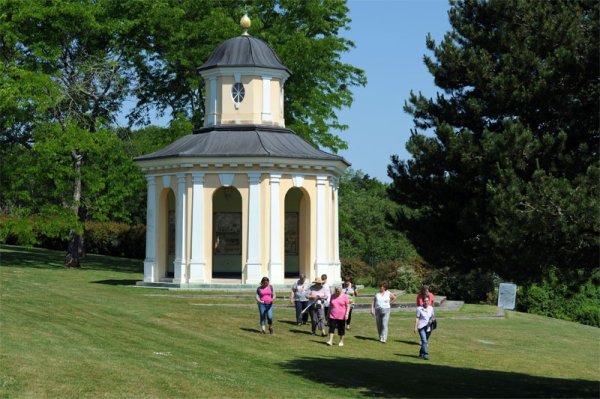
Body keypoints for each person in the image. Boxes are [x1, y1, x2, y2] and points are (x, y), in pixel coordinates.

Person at [414, 295, 435, 359]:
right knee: (424, 341)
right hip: (421, 327)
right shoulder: (419, 309)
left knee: (424, 341)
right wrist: (415, 327)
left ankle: (421, 353)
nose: (426, 302)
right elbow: (417, 318)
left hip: (429, 328)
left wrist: (432, 320)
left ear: (429, 301)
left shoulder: (431, 308)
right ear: (423, 301)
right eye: (425, 301)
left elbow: (433, 317)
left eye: (427, 301)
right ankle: (426, 354)